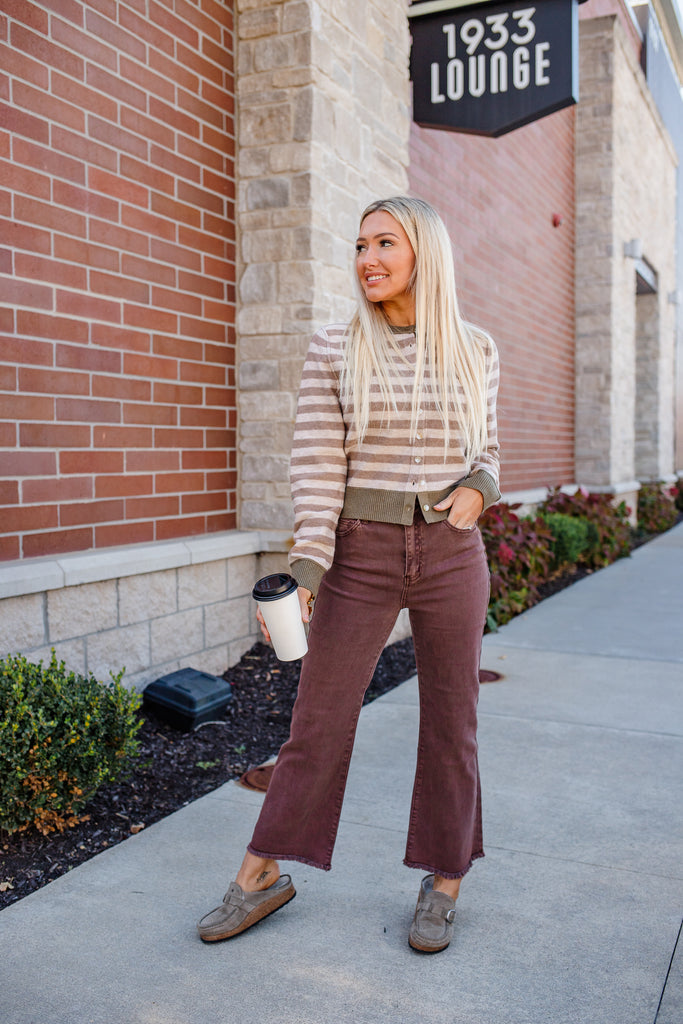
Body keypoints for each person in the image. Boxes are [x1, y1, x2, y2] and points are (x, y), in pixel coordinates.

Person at [197, 196, 500, 954]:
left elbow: (486, 451)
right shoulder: (335, 346)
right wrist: (306, 564)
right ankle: (258, 875)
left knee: (452, 723)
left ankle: (444, 880)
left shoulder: (474, 348)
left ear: (422, 252)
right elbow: (316, 463)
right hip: (360, 552)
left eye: (384, 243)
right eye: (359, 245)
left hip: (450, 554)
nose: (366, 258)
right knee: (318, 722)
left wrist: (477, 490)